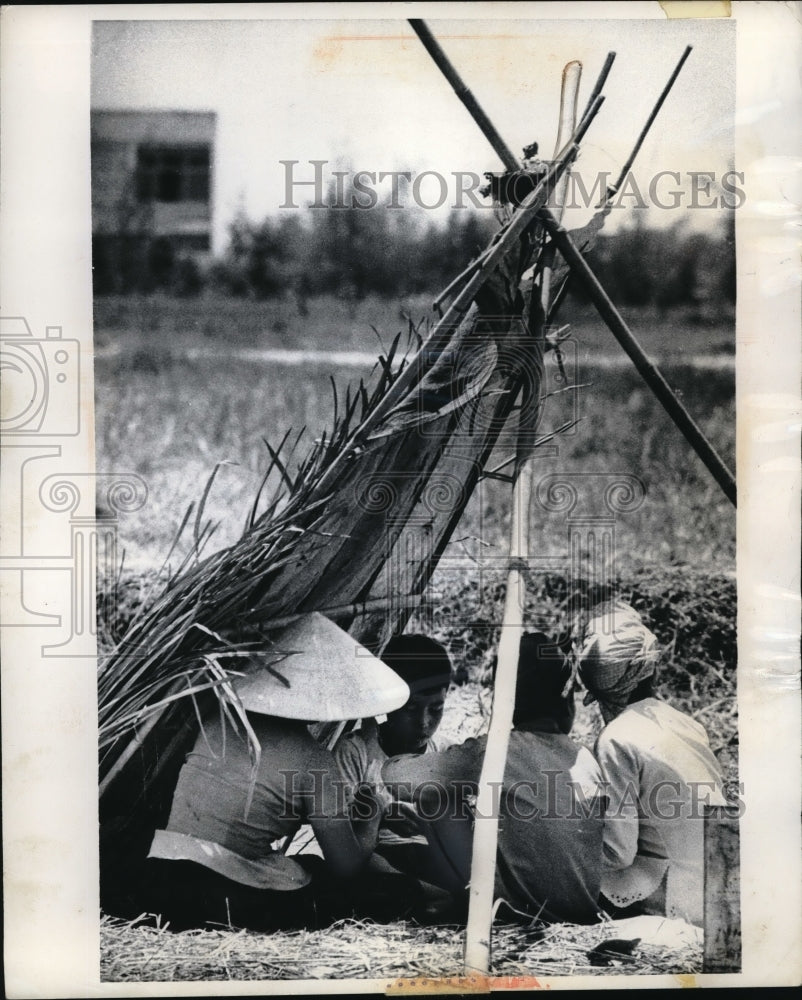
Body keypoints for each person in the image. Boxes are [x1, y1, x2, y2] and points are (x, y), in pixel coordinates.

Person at [143, 612, 409, 931]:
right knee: (379, 894)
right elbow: (347, 866)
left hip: (160, 875)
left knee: (308, 866)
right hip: (220, 893)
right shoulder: (315, 761)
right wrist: (373, 812)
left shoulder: (219, 721)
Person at [382, 632, 607, 926]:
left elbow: (395, 776)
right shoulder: (586, 758)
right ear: (569, 705)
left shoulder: (498, 750)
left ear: (506, 701)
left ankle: (462, 902)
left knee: (437, 795)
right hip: (583, 913)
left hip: (518, 914)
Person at [576, 600, 727, 926]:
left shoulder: (616, 739)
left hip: (677, 896)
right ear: (650, 669)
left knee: (559, 893)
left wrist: (564, 845)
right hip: (719, 880)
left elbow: (617, 853)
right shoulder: (685, 722)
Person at [333, 633, 452, 919]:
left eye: (435, 710)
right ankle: (436, 900)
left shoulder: (447, 755)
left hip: (437, 861)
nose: (424, 724)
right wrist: (378, 815)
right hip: (380, 864)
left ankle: (435, 900)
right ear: (387, 702)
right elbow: (343, 847)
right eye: (410, 710)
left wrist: (429, 825)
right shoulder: (357, 753)